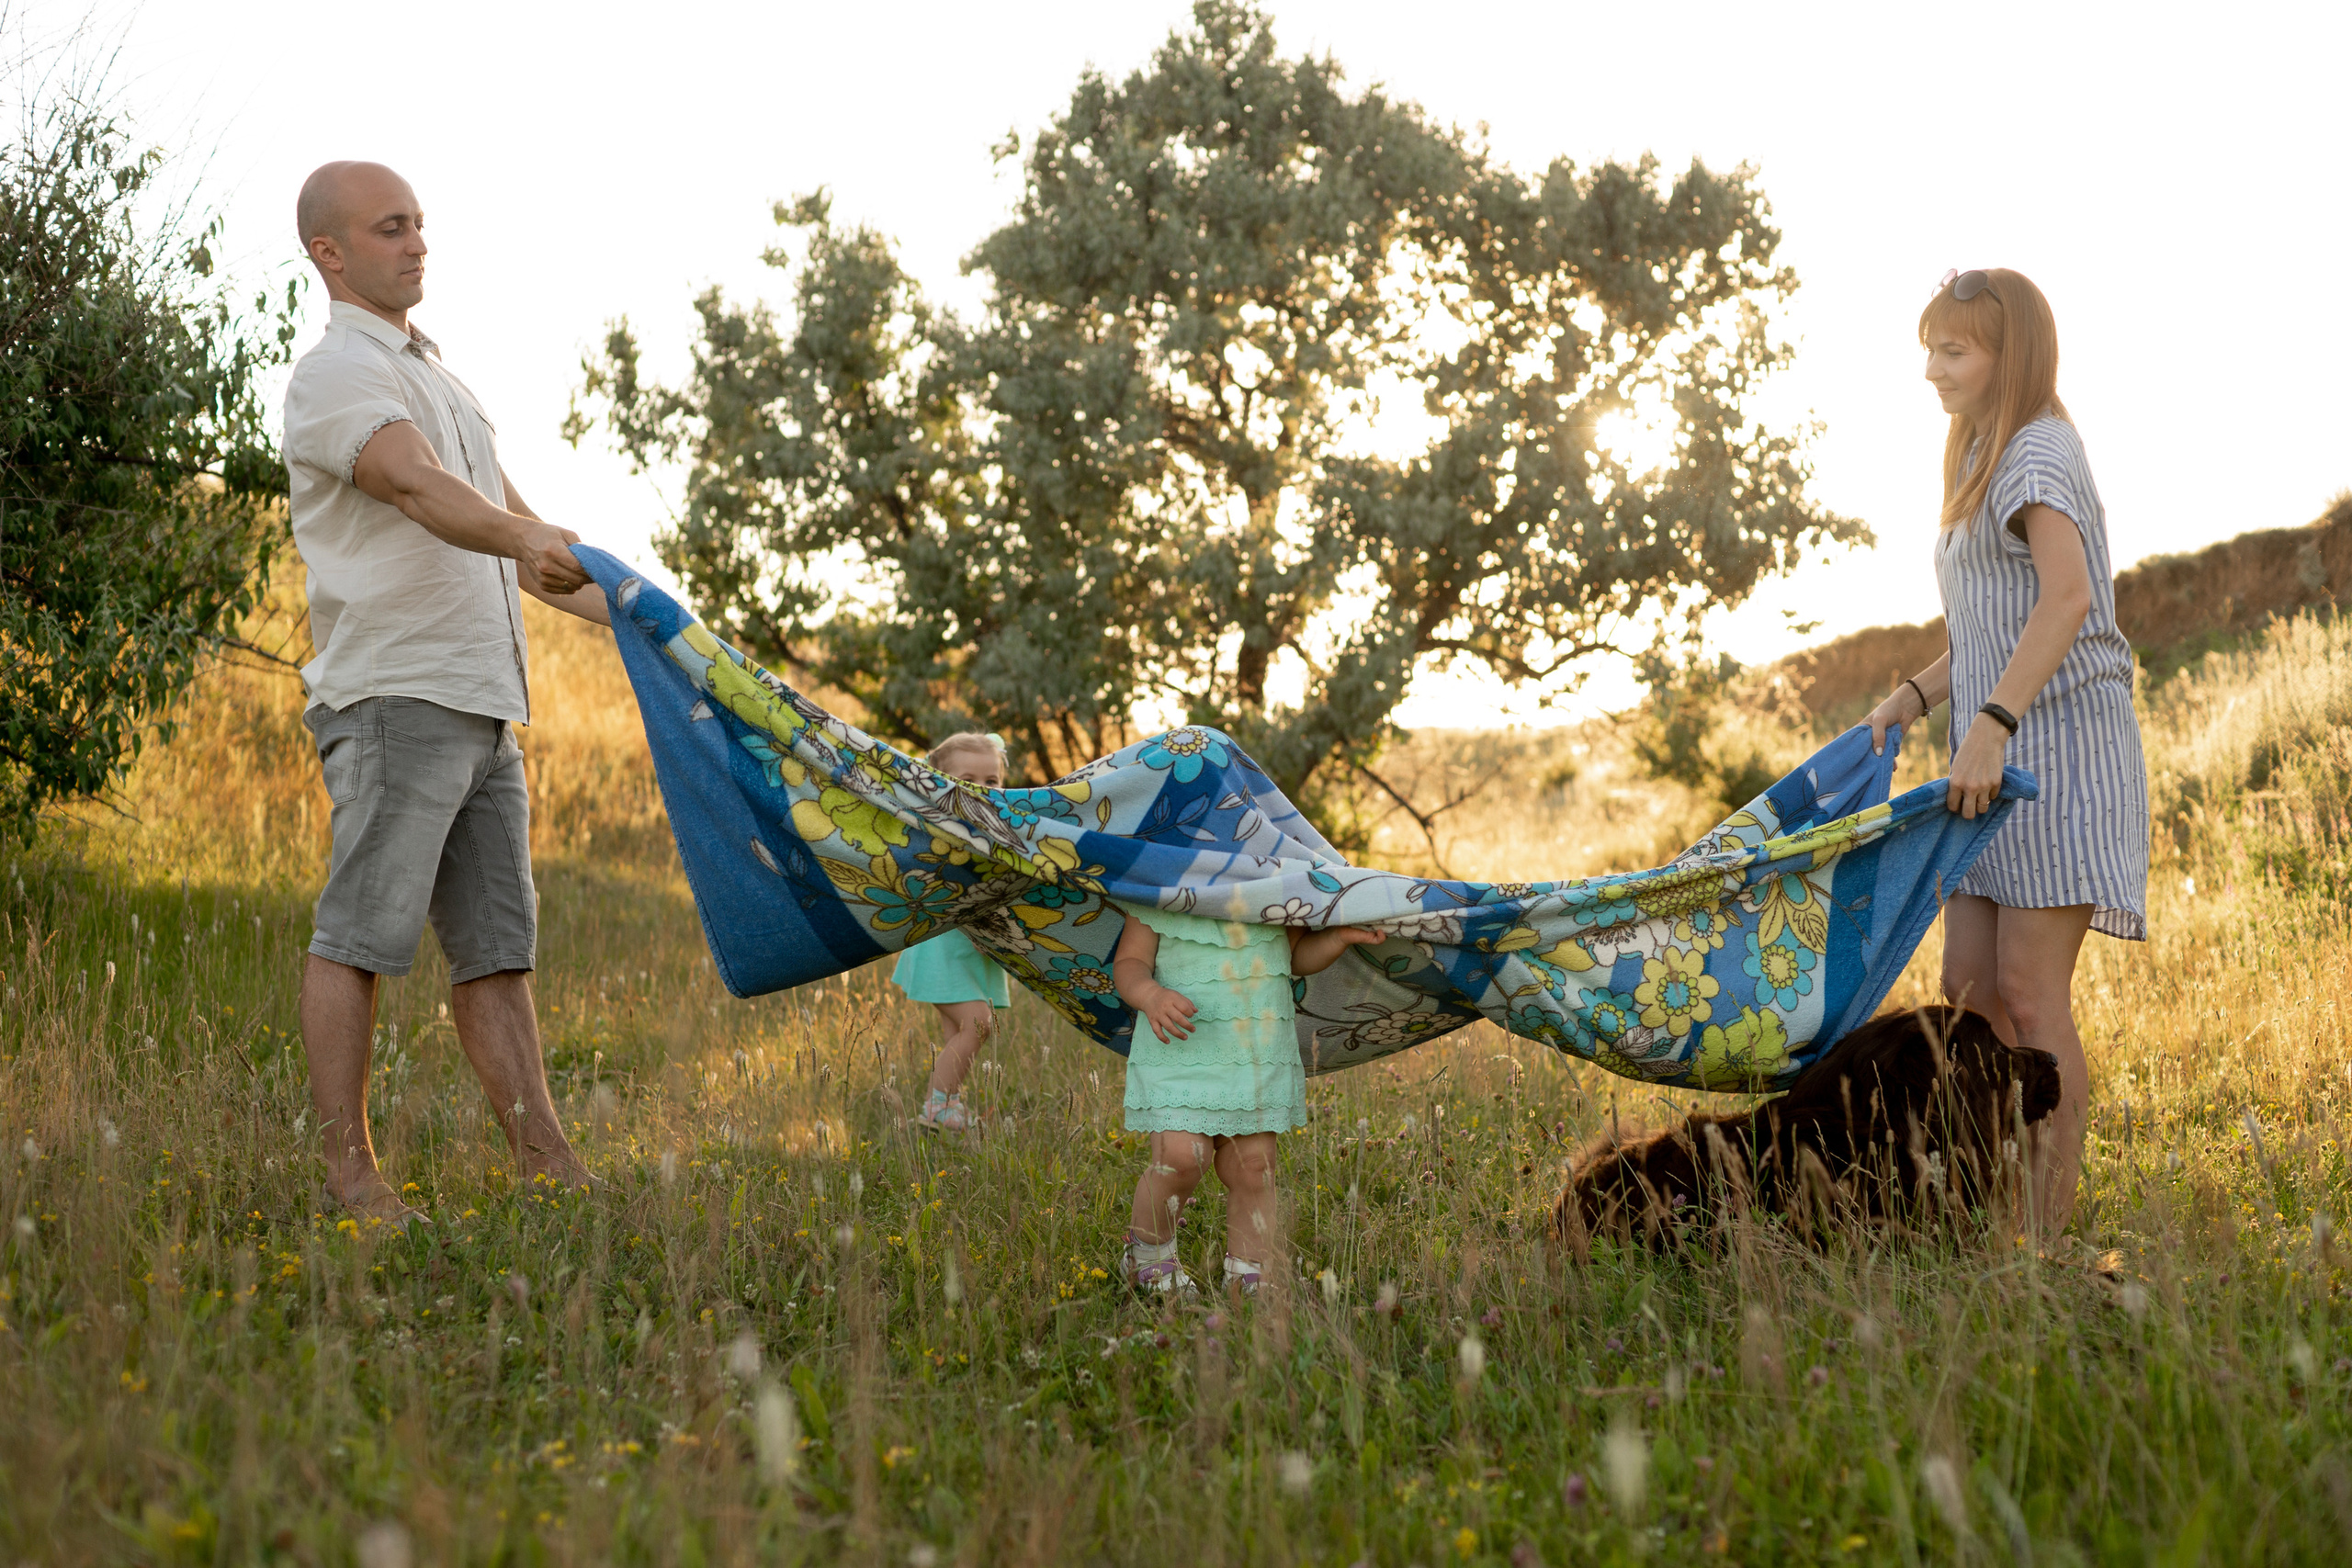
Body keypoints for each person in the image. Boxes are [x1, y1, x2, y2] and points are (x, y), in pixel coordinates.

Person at [281, 161, 611, 1226]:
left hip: (483, 708)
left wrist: (650, 623)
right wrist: (527, 533)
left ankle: (548, 1167)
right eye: (390, 228)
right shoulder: (339, 374)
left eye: (419, 224)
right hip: (395, 696)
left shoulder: (443, 380)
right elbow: (420, 488)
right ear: (330, 252)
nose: (417, 243)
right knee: (360, 940)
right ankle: (351, 1180)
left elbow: (524, 548)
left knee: (497, 953)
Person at [1865, 267, 2148, 1234]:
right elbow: (1994, 621)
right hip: (1991, 756)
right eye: (1930, 350)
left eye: (1953, 351)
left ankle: (2041, 1237)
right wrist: (1915, 695)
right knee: (1969, 995)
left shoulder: (2035, 450)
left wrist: (1990, 722)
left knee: (2027, 996)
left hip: (2054, 754)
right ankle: (1990, 1214)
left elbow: (2066, 600)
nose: (1933, 370)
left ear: (2008, 354)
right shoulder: (1980, 452)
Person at [1112, 901, 1378, 1296]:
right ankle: (1148, 1255)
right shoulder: (1162, 887)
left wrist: (1336, 937)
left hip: (1255, 1056)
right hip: (1180, 1055)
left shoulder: (1270, 887)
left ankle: (1248, 1270)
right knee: (1180, 1159)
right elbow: (1130, 961)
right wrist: (1150, 995)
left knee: (1254, 1168)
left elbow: (1294, 954)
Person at [895, 731, 1016, 1132]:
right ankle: (937, 1105)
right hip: (942, 946)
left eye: (991, 781)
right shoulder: (941, 830)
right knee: (978, 1024)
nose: (982, 789)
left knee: (957, 1033)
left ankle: (949, 1107)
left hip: (970, 951)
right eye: (968, 780)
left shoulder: (997, 829)